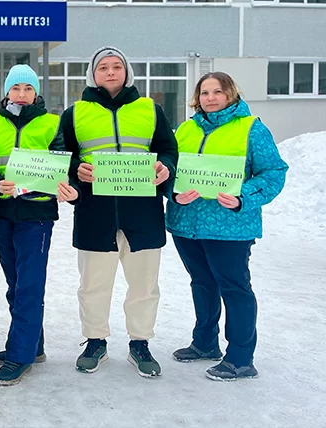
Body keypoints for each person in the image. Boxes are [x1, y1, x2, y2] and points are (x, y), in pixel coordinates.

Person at [57, 46, 178, 378]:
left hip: (143, 211)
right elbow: (60, 156)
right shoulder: (75, 113)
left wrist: (165, 168)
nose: (110, 72)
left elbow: (169, 149)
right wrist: (75, 171)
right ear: (92, 75)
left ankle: (140, 343)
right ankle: (95, 340)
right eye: (103, 68)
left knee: (144, 285)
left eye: (117, 66)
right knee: (93, 283)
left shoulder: (150, 109)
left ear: (127, 72)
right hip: (95, 212)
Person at [167, 72, 288, 381]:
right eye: (204, 92)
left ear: (231, 93)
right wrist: (174, 194)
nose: (210, 97)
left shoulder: (252, 129)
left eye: (217, 91)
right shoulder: (186, 129)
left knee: (235, 289)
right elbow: (169, 171)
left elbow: (273, 172)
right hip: (187, 223)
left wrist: (241, 197)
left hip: (230, 226)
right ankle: (205, 343)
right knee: (202, 283)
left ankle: (241, 358)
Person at [0, 64, 79, 386]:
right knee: (15, 283)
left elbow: (61, 164)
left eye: (27, 89)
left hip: (36, 215)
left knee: (29, 286)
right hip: (2, 214)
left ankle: (20, 354)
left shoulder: (52, 124)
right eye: (16, 89)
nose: (22, 95)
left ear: (36, 93)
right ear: (7, 92)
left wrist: (55, 185)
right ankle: (32, 344)